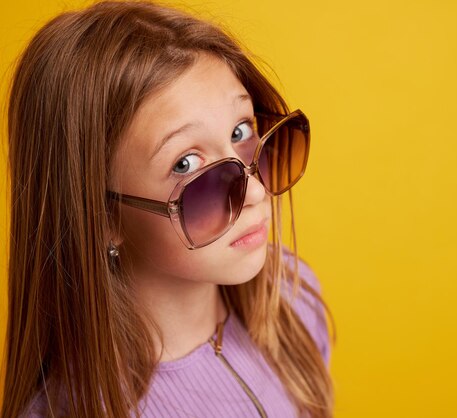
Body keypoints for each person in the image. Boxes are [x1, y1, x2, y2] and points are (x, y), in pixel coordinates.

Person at [1, 1, 335, 417]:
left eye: (241, 130)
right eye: (185, 163)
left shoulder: (292, 300)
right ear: (102, 217)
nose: (253, 190)